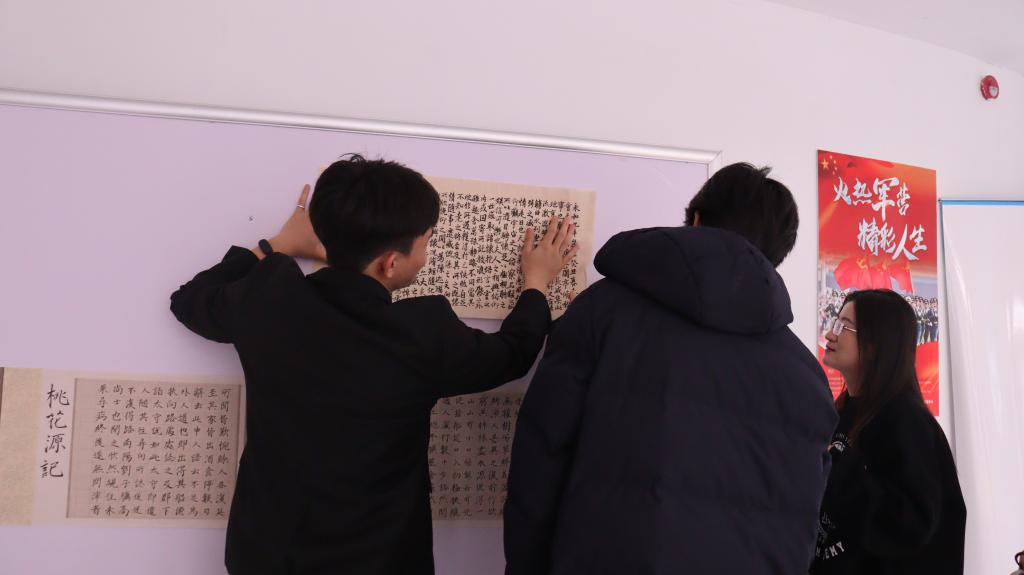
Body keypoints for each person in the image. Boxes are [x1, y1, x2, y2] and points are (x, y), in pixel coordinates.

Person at [170, 155, 577, 574]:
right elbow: (512, 354)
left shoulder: (269, 298)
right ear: (390, 262)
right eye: (426, 242)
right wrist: (536, 283)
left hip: (266, 555)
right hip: (380, 560)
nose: (426, 253)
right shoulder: (423, 336)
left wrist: (277, 244)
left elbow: (189, 301)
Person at [503, 163, 839, 574]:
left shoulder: (603, 312)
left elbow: (541, 456)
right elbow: (798, 525)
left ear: (696, 219)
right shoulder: (809, 380)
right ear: (778, 254)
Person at [812, 289, 966, 574]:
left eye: (844, 326)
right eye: (835, 322)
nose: (831, 334)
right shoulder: (845, 411)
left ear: (874, 344)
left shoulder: (906, 421)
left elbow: (910, 523)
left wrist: (840, 471)